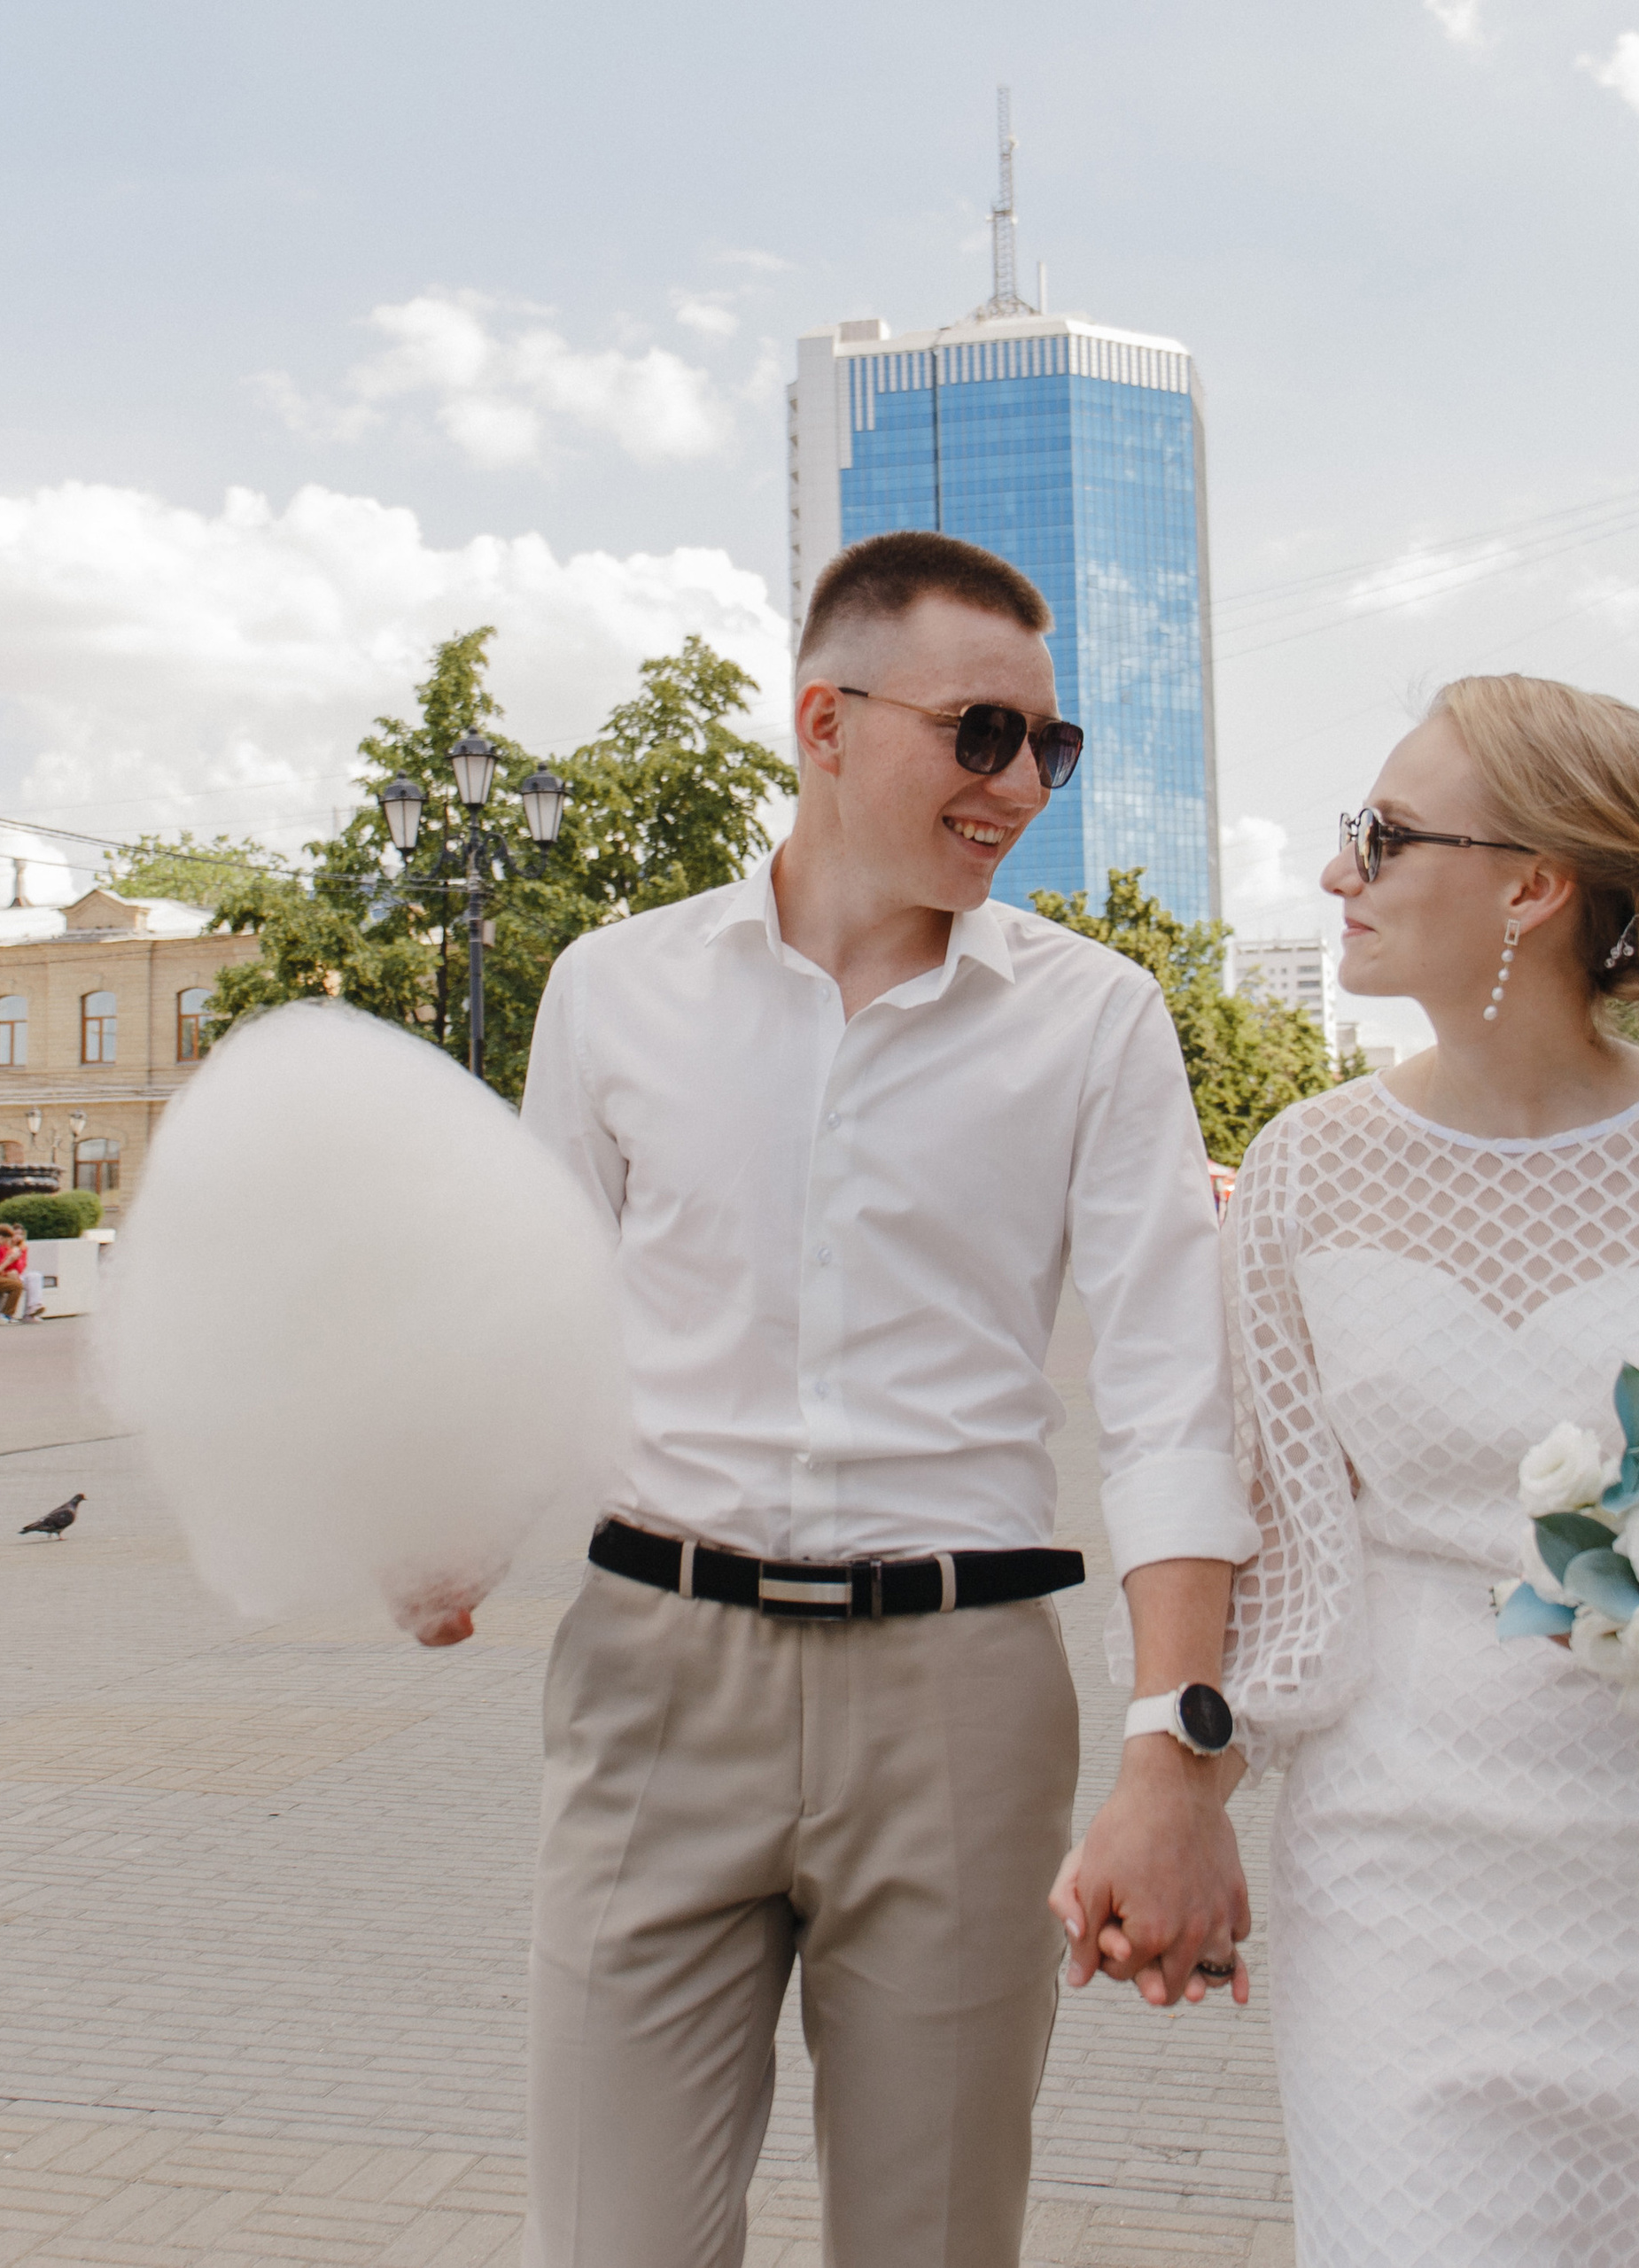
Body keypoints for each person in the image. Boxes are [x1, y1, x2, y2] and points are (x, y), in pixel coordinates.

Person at [461, 531, 1258, 2268]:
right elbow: (533, 1313)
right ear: (823, 719)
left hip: (959, 1699)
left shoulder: (1095, 1022)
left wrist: (1170, 1745)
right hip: (652, 1677)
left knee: (932, 2240)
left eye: (1053, 746)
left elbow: (1167, 1395)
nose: (1022, 785)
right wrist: (434, 1518)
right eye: (982, 734)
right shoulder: (613, 988)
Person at [1210, 674, 1639, 2266]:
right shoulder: (1309, 1168)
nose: (1340, 873)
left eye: (1381, 837)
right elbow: (1257, 1524)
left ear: (1531, 884)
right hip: (1399, 1885)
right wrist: (1178, 1778)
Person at [0, 1219, 27, 1320]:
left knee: (19, 1281)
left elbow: (20, 1267)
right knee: (16, 1286)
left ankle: (16, 1312)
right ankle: (5, 1315)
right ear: (1, 1237)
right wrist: (9, 1261)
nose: (6, 1243)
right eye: (6, 1240)